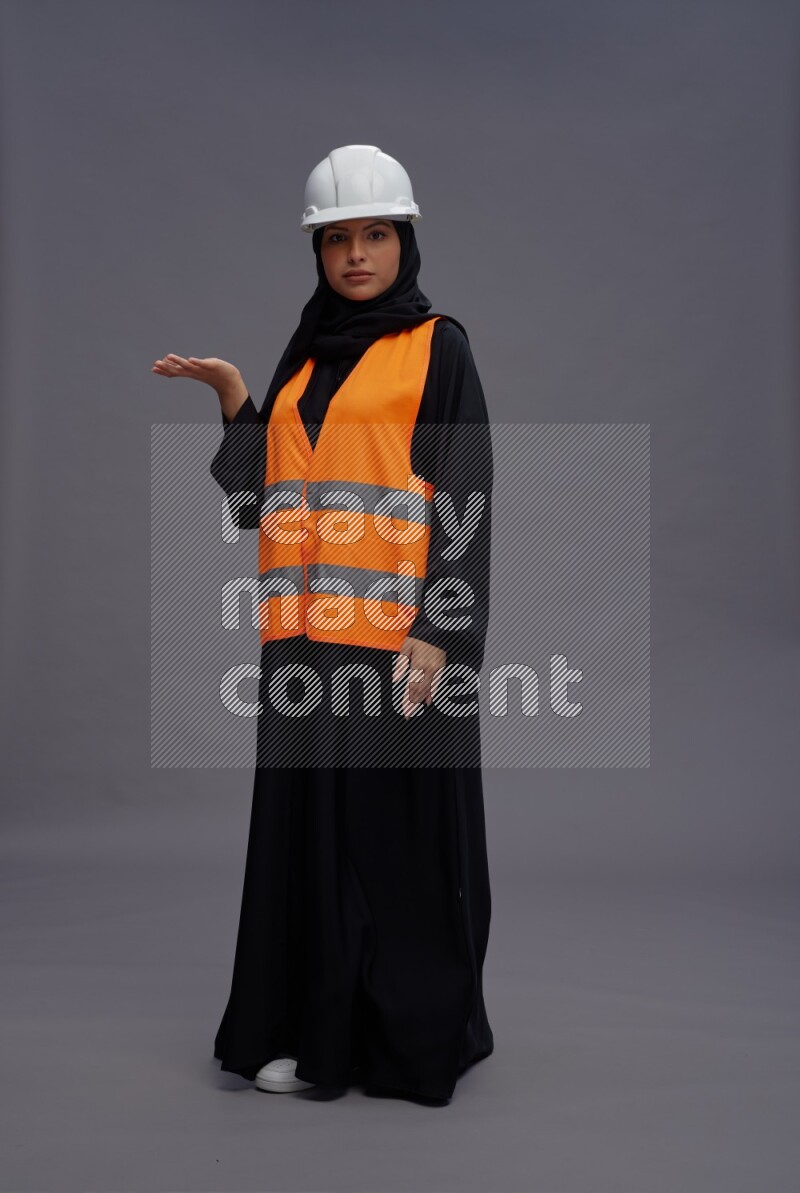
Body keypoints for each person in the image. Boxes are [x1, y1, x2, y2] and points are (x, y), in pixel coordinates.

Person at [152, 145, 495, 1103]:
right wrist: (235, 399)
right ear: (317, 250)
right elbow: (255, 502)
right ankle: (310, 1035)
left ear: (405, 241)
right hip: (301, 646)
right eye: (337, 238)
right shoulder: (304, 356)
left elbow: (466, 494)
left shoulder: (438, 349)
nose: (355, 255)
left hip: (399, 646)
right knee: (308, 841)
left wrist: (444, 630)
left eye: (375, 234)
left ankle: (408, 1042)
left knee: (393, 845)